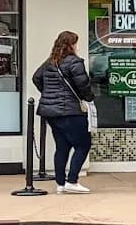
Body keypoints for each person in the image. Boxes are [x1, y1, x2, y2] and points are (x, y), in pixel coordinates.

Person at [33, 30, 95, 194]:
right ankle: (72, 181)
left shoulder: (50, 62)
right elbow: (83, 85)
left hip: (51, 113)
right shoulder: (74, 62)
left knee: (62, 147)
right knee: (83, 144)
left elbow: (36, 78)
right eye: (75, 43)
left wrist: (48, 94)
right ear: (70, 45)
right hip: (71, 111)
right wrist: (88, 98)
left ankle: (60, 183)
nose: (77, 46)